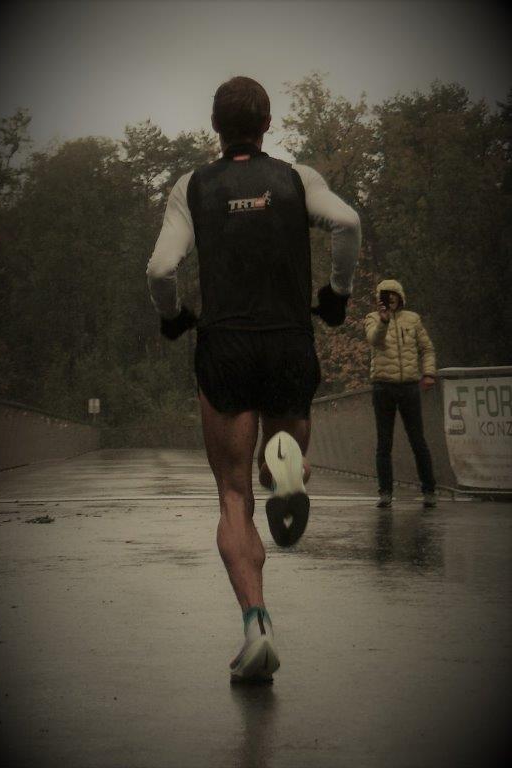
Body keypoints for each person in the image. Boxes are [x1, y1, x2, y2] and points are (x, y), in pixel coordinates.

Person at [147, 76, 361, 682]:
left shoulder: (192, 187)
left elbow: (161, 268)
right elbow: (348, 223)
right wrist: (338, 294)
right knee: (276, 462)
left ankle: (257, 626)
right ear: (267, 124)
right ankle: (285, 470)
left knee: (234, 497)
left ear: (216, 127)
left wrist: (173, 317)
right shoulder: (298, 179)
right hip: (289, 341)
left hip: (227, 347)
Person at [364, 279, 437, 509]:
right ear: (380, 299)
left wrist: (429, 373)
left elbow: (427, 348)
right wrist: (384, 321)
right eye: (386, 295)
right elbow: (374, 340)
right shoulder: (372, 318)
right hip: (383, 387)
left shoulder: (412, 319)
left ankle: (429, 491)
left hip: (409, 387)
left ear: (400, 296)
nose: (391, 298)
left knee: (418, 440)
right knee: (384, 443)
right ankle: (385, 493)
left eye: (394, 294)